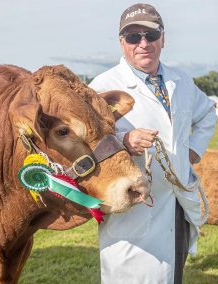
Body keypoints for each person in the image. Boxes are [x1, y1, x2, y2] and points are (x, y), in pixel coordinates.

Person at [89, 3, 217, 284]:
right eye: (133, 37)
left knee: (173, 274)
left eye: (150, 35)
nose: (143, 43)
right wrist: (124, 139)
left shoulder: (180, 81)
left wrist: (192, 149)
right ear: (122, 43)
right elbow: (86, 143)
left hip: (177, 204)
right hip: (134, 209)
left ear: (163, 38)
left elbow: (207, 113)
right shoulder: (102, 86)